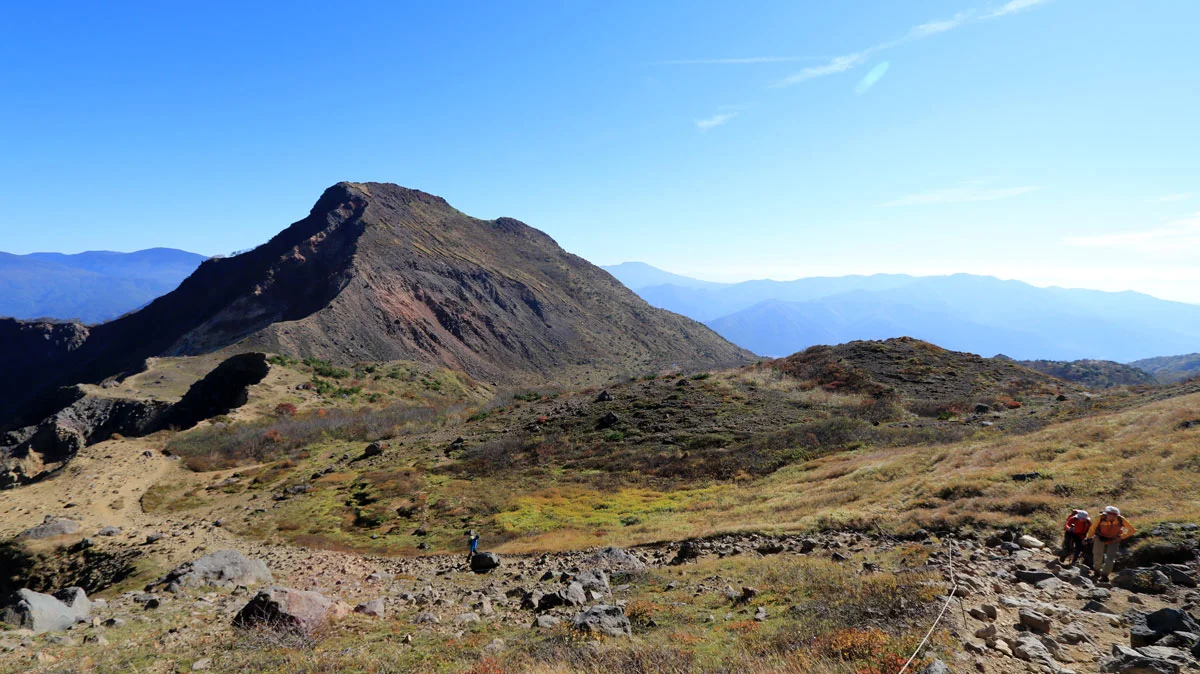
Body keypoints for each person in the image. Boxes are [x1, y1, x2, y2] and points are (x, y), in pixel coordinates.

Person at [1086, 505, 1135, 582]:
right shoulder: (1100, 517)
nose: (1111, 515)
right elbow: (1093, 528)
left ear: (1117, 515)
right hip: (1100, 537)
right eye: (1109, 513)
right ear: (1106, 513)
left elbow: (1132, 530)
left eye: (1114, 514)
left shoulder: (1120, 519)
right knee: (1097, 555)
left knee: (1110, 559)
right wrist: (1088, 537)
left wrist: (1121, 537)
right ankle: (1097, 570)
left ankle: (1105, 575)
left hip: (1114, 539)